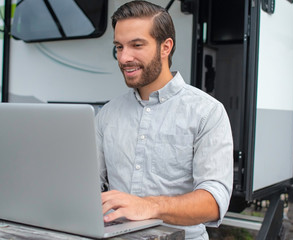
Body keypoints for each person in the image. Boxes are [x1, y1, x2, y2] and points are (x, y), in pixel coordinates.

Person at [96, 1, 233, 239]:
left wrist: (149, 206)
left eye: (136, 45)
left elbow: (214, 202)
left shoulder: (207, 112)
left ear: (165, 47)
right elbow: (87, 184)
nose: (124, 57)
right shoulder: (107, 114)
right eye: (119, 47)